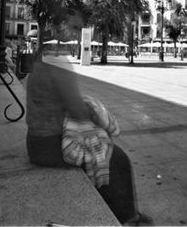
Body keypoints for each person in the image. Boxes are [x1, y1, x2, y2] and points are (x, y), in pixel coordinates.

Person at [26, 59, 153, 226]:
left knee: (106, 154)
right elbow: (78, 110)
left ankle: (126, 215)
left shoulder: (39, 64)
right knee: (115, 158)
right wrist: (97, 112)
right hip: (50, 146)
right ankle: (126, 219)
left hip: (37, 142)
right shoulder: (57, 65)